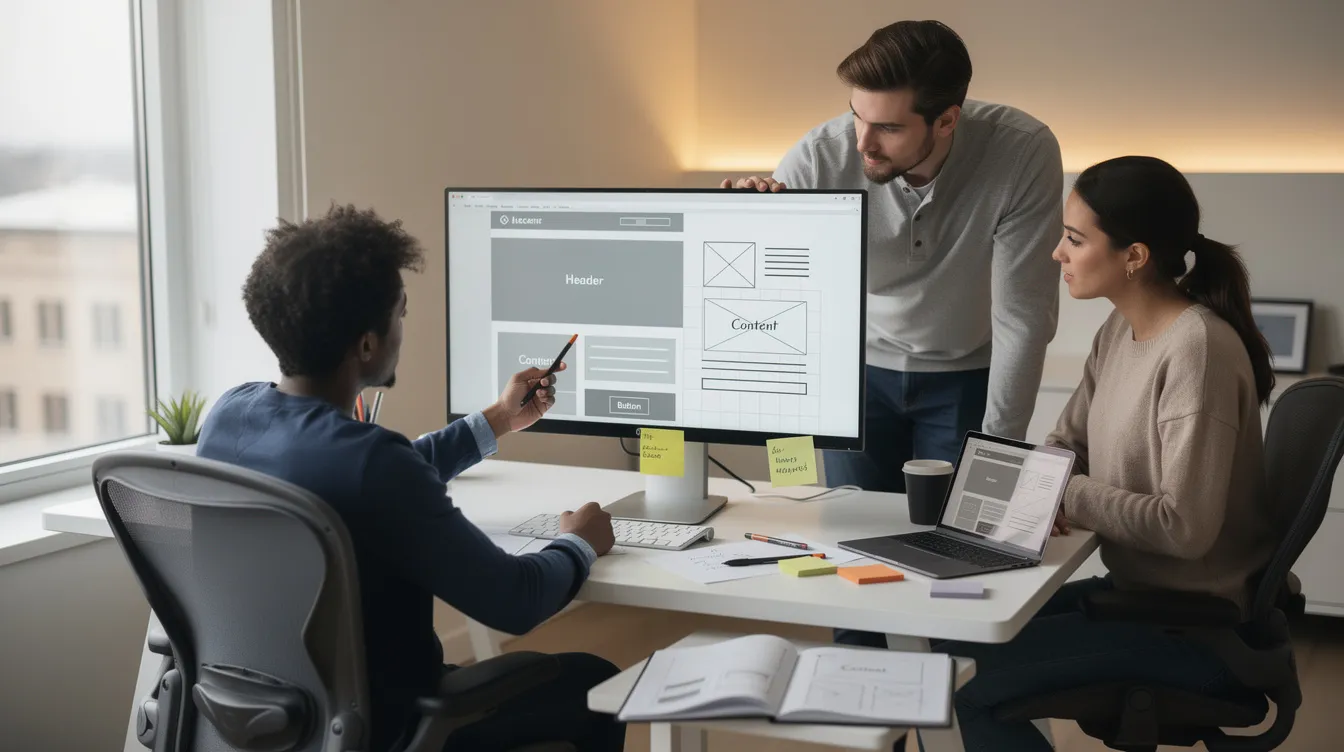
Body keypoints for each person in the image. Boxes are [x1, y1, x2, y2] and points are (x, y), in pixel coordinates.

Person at [195, 204, 625, 752]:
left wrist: (498, 418)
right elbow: (516, 600)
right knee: (596, 681)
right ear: (367, 343)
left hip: (270, 720)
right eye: (400, 311)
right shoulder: (372, 465)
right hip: (391, 728)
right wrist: (578, 543)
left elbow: (370, 474)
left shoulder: (230, 416)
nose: (403, 325)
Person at [926, 156, 1278, 751]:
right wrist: (1052, 481)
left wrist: (1066, 490)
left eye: (1074, 239)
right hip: (1139, 601)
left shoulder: (1197, 351)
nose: (1056, 254)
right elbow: (1066, 443)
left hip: (1197, 632)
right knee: (946, 641)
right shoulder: (1119, 330)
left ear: (1134, 256)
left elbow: (1184, 527)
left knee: (955, 684)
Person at [723, 19, 1063, 502]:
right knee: (852, 534)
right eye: (857, 116)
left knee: (954, 535)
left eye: (888, 126)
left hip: (965, 374)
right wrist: (744, 222)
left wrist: (1000, 454)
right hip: (855, 374)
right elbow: (768, 297)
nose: (862, 142)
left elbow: (1023, 316)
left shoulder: (1022, 152)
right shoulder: (820, 156)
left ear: (947, 120)